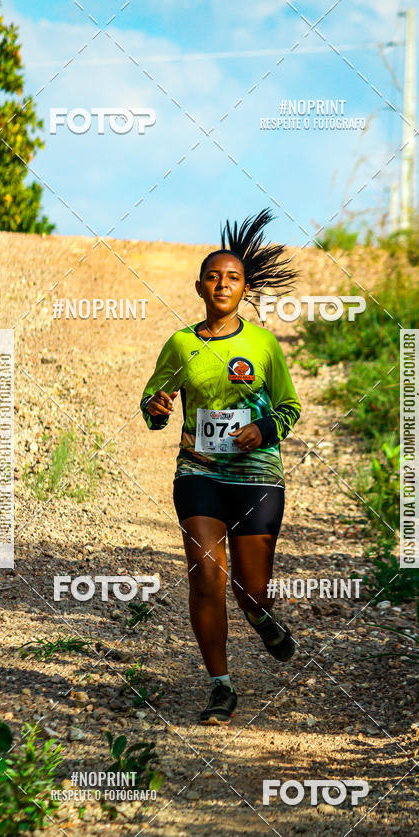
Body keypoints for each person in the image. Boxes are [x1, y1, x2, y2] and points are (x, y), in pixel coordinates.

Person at [140, 207, 302, 725]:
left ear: (245, 288)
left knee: (251, 589)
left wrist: (263, 429)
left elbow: (290, 407)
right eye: (213, 276)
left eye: (232, 277)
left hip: (257, 476)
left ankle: (261, 617)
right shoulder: (181, 344)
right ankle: (220, 686)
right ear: (199, 287)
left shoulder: (263, 344)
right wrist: (157, 408)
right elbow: (152, 404)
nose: (222, 284)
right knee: (206, 577)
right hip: (199, 474)